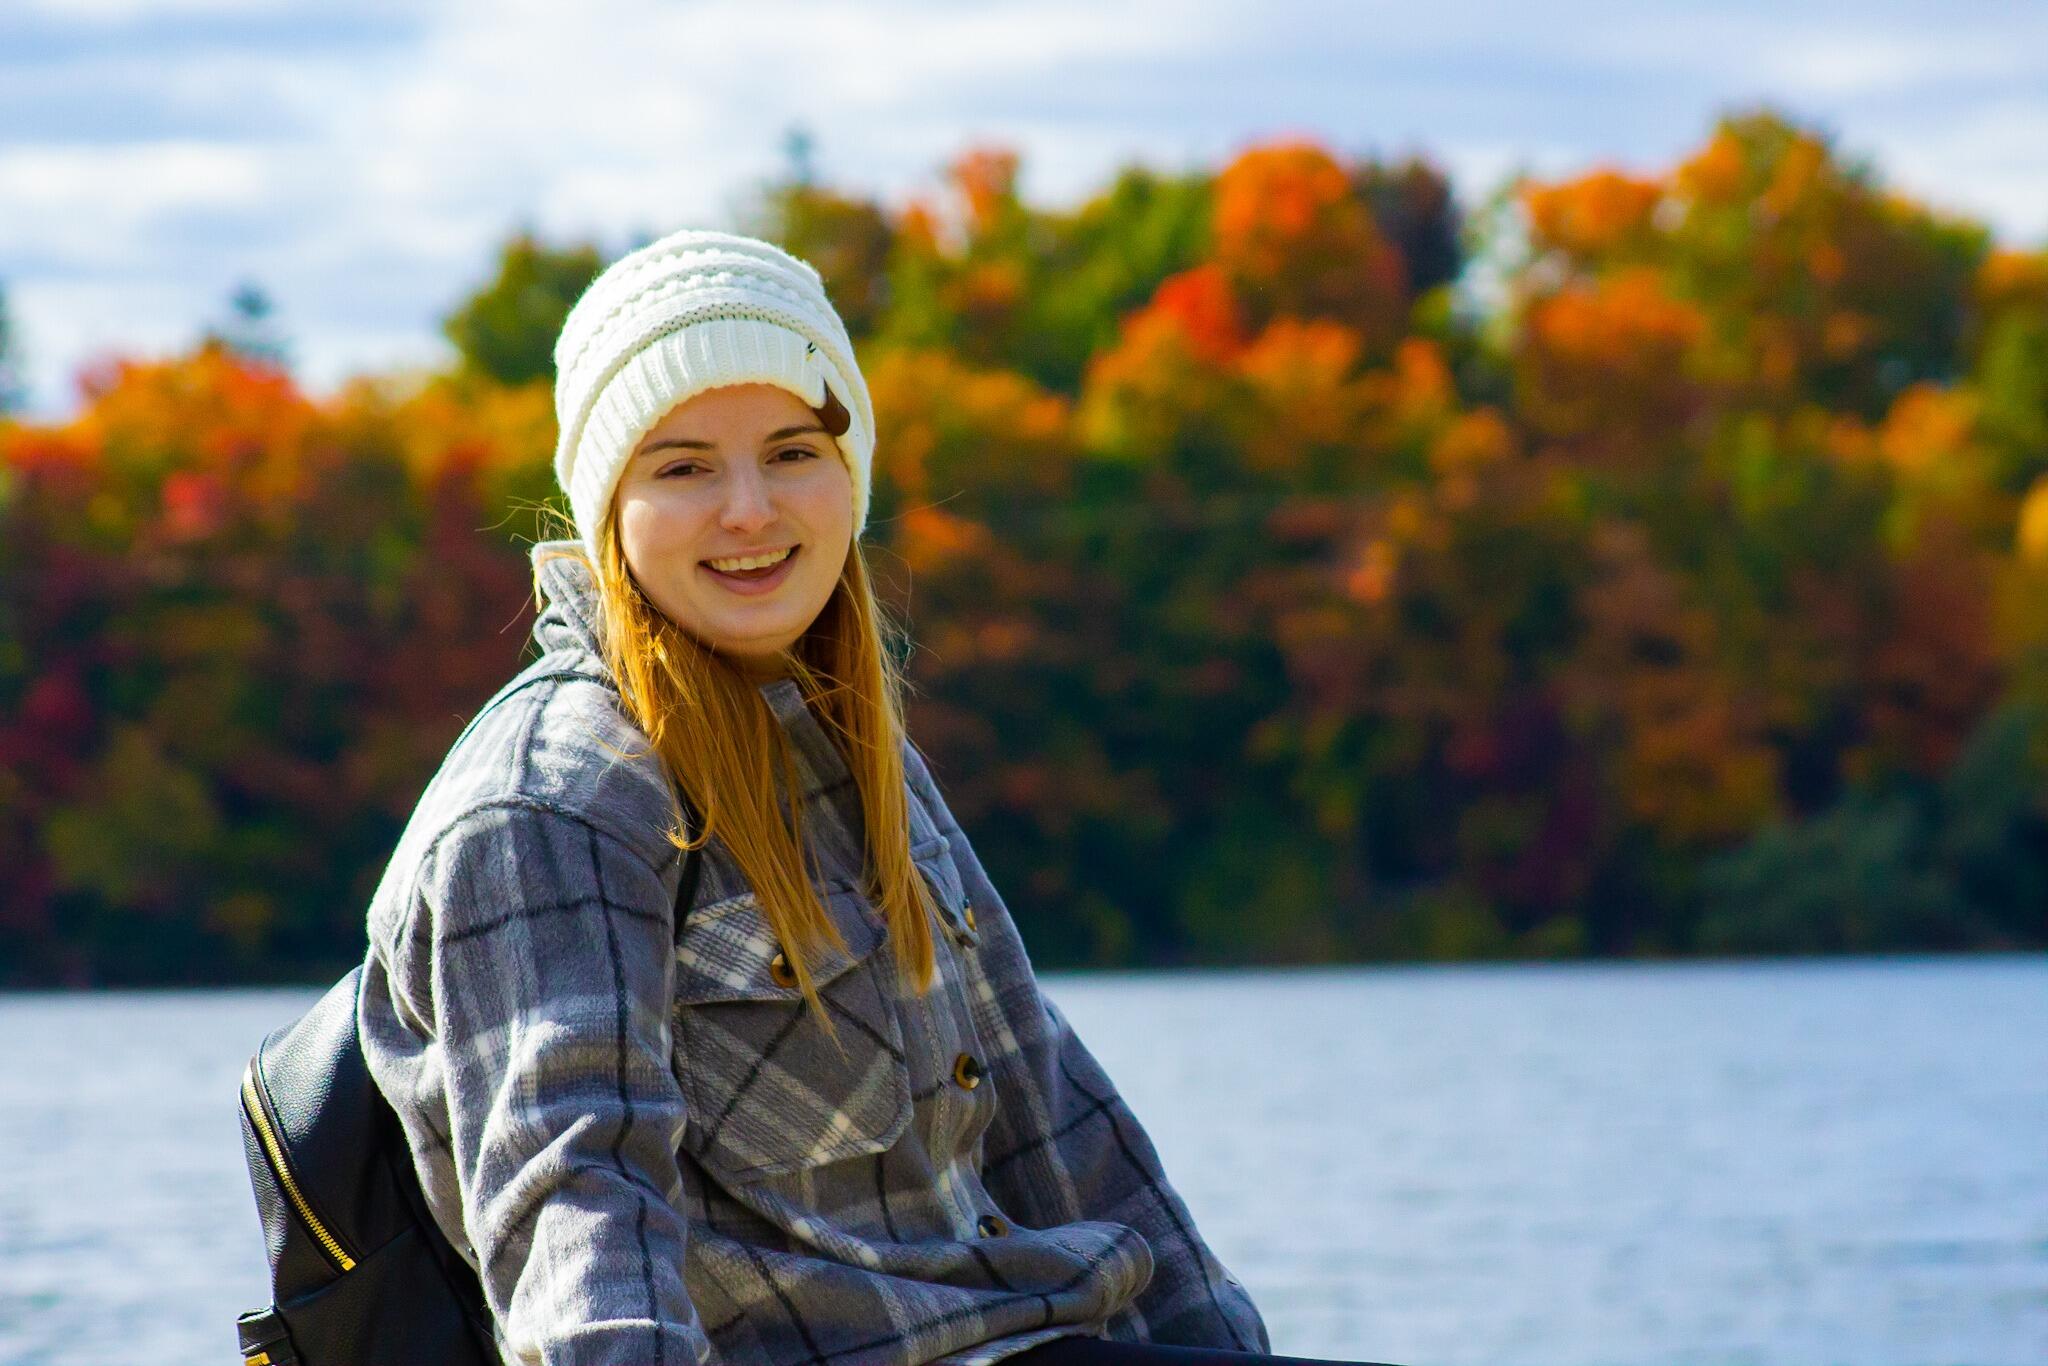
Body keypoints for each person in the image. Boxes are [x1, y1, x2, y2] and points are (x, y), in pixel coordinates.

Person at [358, 228, 1381, 1366]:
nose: (750, 509)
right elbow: (574, 1212)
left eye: (792, 451)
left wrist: (1229, 1351)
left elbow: (1055, 1123)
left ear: (849, 476)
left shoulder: (851, 746)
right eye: (684, 467)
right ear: (610, 507)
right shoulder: (550, 805)